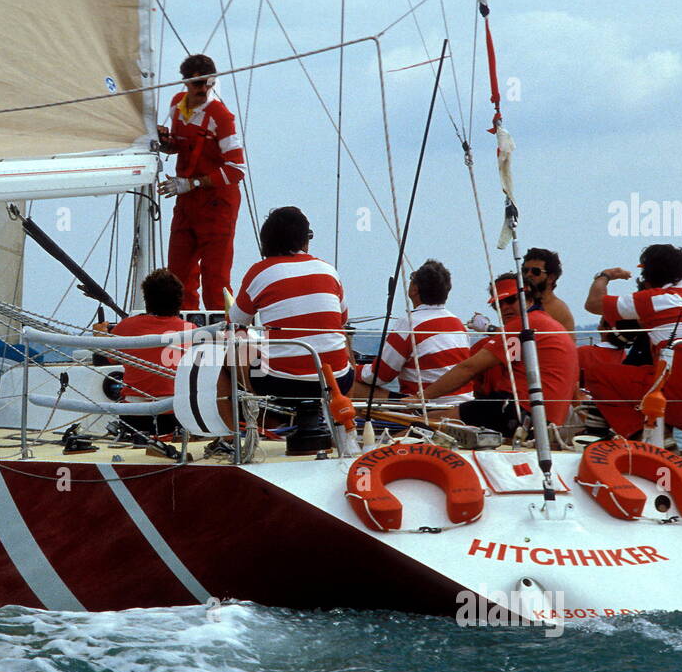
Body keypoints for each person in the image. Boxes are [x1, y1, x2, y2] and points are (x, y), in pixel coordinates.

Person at [229, 206, 351, 453]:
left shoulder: (259, 272)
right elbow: (342, 321)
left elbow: (235, 322)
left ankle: (233, 432)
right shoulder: (329, 270)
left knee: (233, 343)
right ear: (304, 240)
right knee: (339, 339)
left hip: (283, 383)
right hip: (339, 380)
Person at [407, 274, 578, 436]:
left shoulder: (523, 324)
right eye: (498, 304)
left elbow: (469, 368)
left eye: (510, 300)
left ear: (530, 298)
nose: (504, 308)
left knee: (424, 424)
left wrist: (420, 398)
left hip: (518, 411)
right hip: (546, 420)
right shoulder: (546, 322)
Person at [582, 244, 682, 438]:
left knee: (598, 374)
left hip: (674, 400)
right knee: (653, 373)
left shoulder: (657, 300)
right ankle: (663, 437)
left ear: (649, 274)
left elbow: (593, 303)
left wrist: (604, 275)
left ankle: (635, 438)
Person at [157, 53, 247, 311]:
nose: (204, 89)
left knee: (215, 279)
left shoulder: (221, 116)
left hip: (218, 204)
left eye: (209, 83)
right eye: (198, 84)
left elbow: (236, 169)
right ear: (185, 83)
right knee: (177, 275)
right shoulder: (177, 106)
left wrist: (193, 184)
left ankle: (224, 335)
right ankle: (181, 329)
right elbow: (179, 145)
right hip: (187, 203)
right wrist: (165, 142)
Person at [351, 259, 471, 403]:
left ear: (414, 289)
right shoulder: (457, 324)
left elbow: (379, 376)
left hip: (424, 408)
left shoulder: (409, 323)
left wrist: (350, 370)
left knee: (347, 384)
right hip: (462, 407)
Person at [97, 269, 195, 437]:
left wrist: (99, 336)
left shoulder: (126, 327)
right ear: (179, 300)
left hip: (135, 416)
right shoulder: (191, 330)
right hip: (176, 416)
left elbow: (103, 357)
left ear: (147, 299)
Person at [521, 247, 576, 331]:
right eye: (525, 270)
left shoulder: (558, 310)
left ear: (551, 278)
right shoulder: (519, 304)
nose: (528, 274)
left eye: (536, 271)